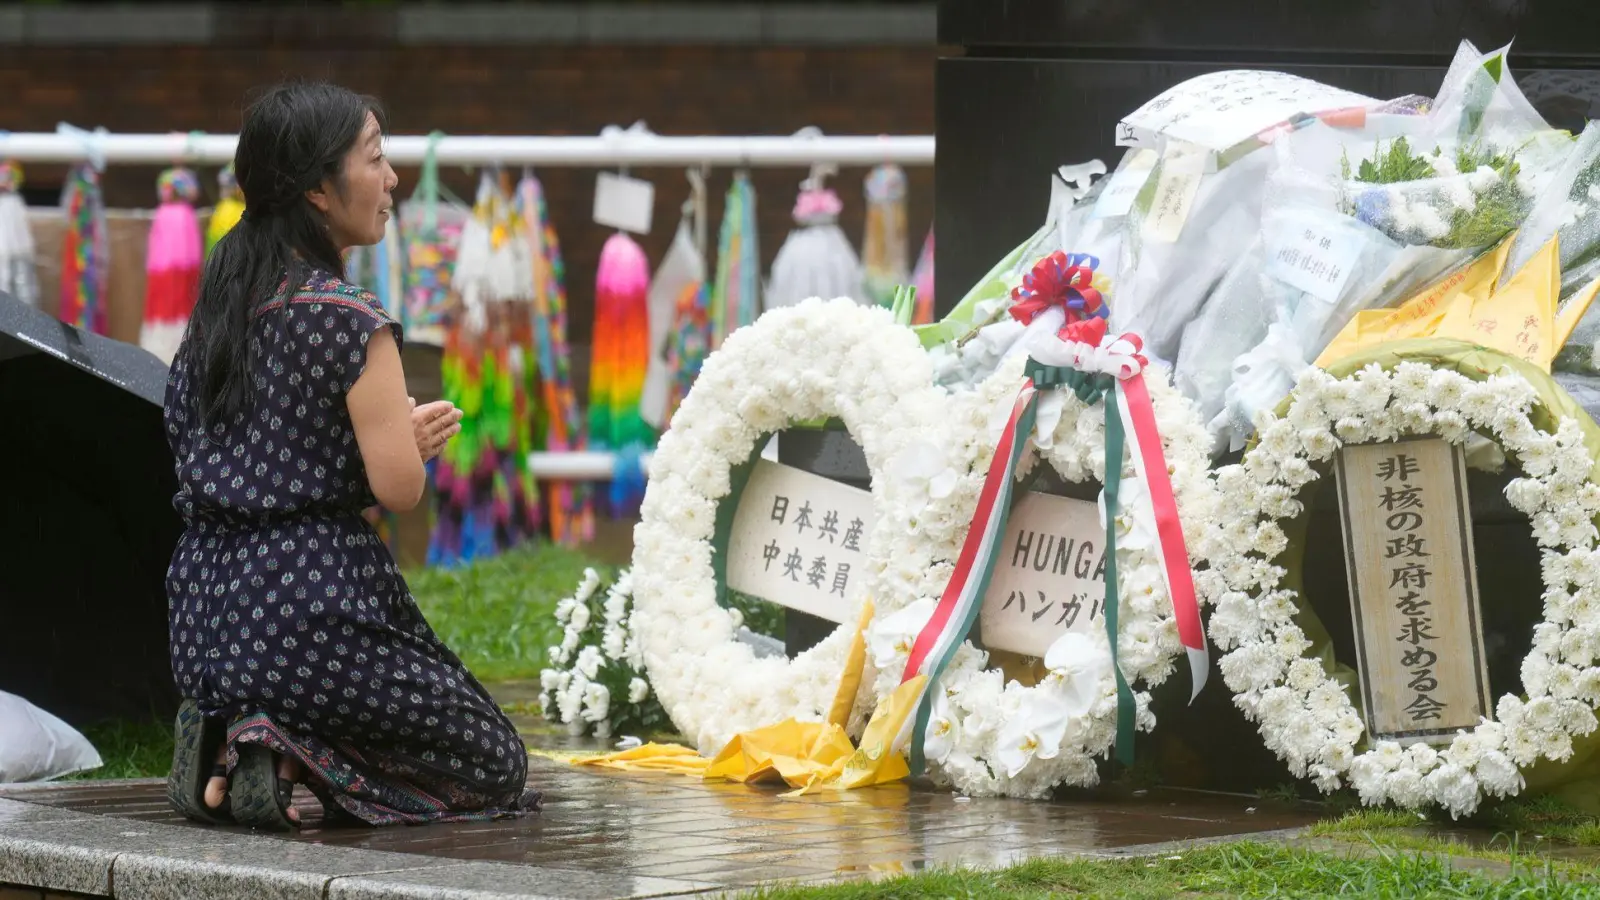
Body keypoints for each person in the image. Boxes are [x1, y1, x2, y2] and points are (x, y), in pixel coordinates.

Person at [161, 81, 539, 830]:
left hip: (203, 618)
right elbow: (397, 490)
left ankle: (245, 736)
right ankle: (278, 739)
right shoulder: (351, 321)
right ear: (318, 191)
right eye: (374, 158)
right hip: (310, 612)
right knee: (496, 764)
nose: (393, 178)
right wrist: (410, 444)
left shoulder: (215, 316)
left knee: (331, 693)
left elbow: (242, 452)